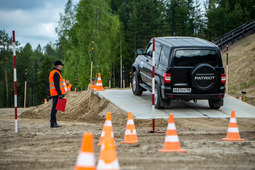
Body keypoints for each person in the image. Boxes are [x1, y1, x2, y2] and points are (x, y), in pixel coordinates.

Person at [49, 60, 65, 128]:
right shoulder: (56, 73)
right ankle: (53, 123)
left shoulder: (53, 72)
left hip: (54, 93)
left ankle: (54, 122)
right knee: (54, 108)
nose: (61, 66)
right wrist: (60, 94)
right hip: (56, 93)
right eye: (60, 65)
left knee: (54, 108)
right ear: (58, 66)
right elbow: (57, 85)